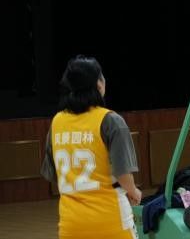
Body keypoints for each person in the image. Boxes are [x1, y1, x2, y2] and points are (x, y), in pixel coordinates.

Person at [41, 56, 142, 239]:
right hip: (111, 219)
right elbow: (123, 173)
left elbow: (53, 173)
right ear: (99, 84)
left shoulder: (57, 122)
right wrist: (134, 191)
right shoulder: (111, 120)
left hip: (70, 224)